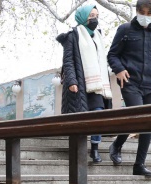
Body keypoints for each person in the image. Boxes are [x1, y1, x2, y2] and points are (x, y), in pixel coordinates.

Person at [107, 0, 151, 177]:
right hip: (130, 81)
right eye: (143, 12)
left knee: (149, 122)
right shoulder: (125, 30)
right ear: (137, 11)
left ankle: (139, 164)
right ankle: (117, 145)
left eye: (150, 13)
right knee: (136, 116)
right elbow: (112, 54)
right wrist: (118, 69)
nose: (146, 16)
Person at [56, 3, 112, 163]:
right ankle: (78, 149)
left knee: (98, 114)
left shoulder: (98, 37)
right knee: (79, 118)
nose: (95, 19)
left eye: (97, 16)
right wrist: (71, 81)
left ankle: (95, 148)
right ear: (83, 17)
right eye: (91, 16)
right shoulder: (72, 36)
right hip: (79, 84)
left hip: (96, 84)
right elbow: (68, 61)